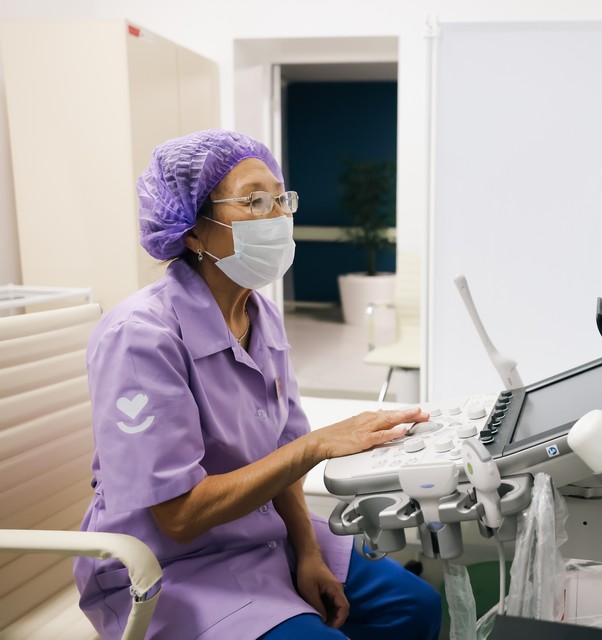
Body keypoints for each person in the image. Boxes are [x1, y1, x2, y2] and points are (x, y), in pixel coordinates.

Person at [74, 129, 442, 639]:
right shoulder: (139, 337)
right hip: (170, 566)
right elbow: (178, 516)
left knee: (416, 606)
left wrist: (308, 551)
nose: (278, 216)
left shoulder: (260, 314)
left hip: (263, 535)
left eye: (281, 199)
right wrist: (317, 445)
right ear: (193, 232)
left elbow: (282, 451)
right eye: (254, 201)